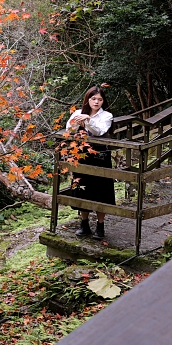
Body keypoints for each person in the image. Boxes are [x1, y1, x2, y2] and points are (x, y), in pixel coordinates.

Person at [66, 85, 115, 240]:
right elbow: (69, 129)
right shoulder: (78, 113)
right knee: (82, 188)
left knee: (102, 189)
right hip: (81, 155)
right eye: (93, 99)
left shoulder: (107, 115)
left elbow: (99, 131)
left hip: (100, 156)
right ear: (88, 99)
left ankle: (100, 226)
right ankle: (84, 223)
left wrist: (88, 121)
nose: (96, 102)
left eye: (99, 99)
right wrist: (76, 121)